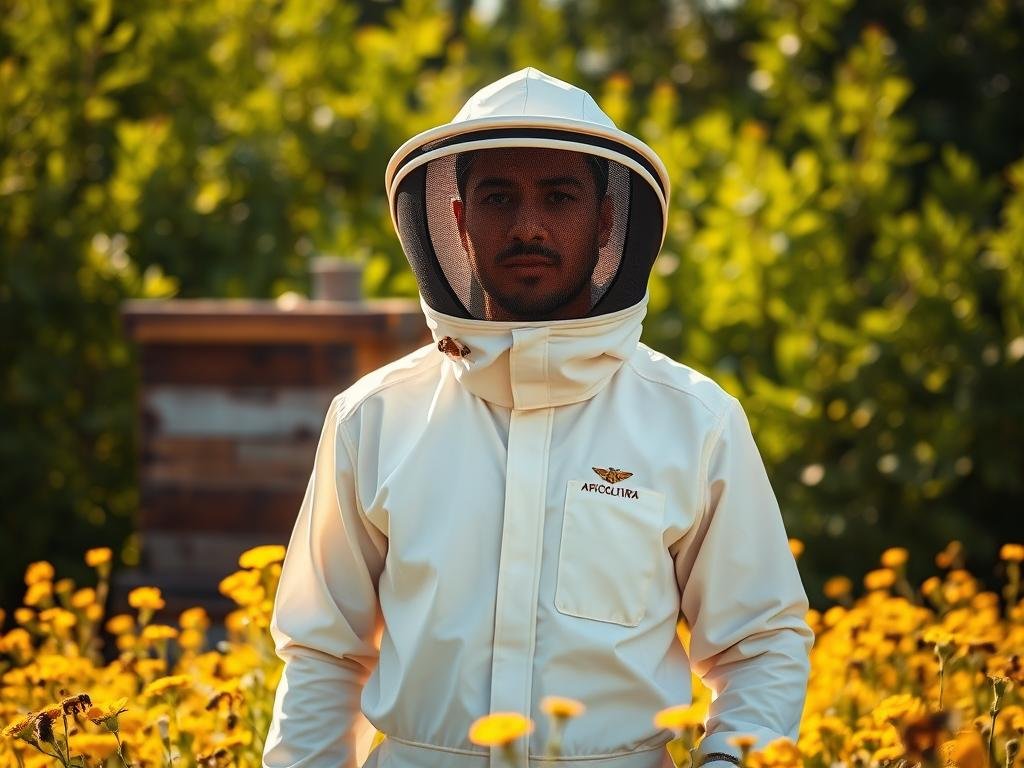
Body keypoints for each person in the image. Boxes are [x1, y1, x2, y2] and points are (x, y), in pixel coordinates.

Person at [263, 68, 813, 768]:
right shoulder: (372, 419)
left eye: (559, 197)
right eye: (498, 198)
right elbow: (322, 652)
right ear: (457, 221)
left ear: (608, 218)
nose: (529, 225)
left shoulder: (695, 422)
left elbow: (760, 645)